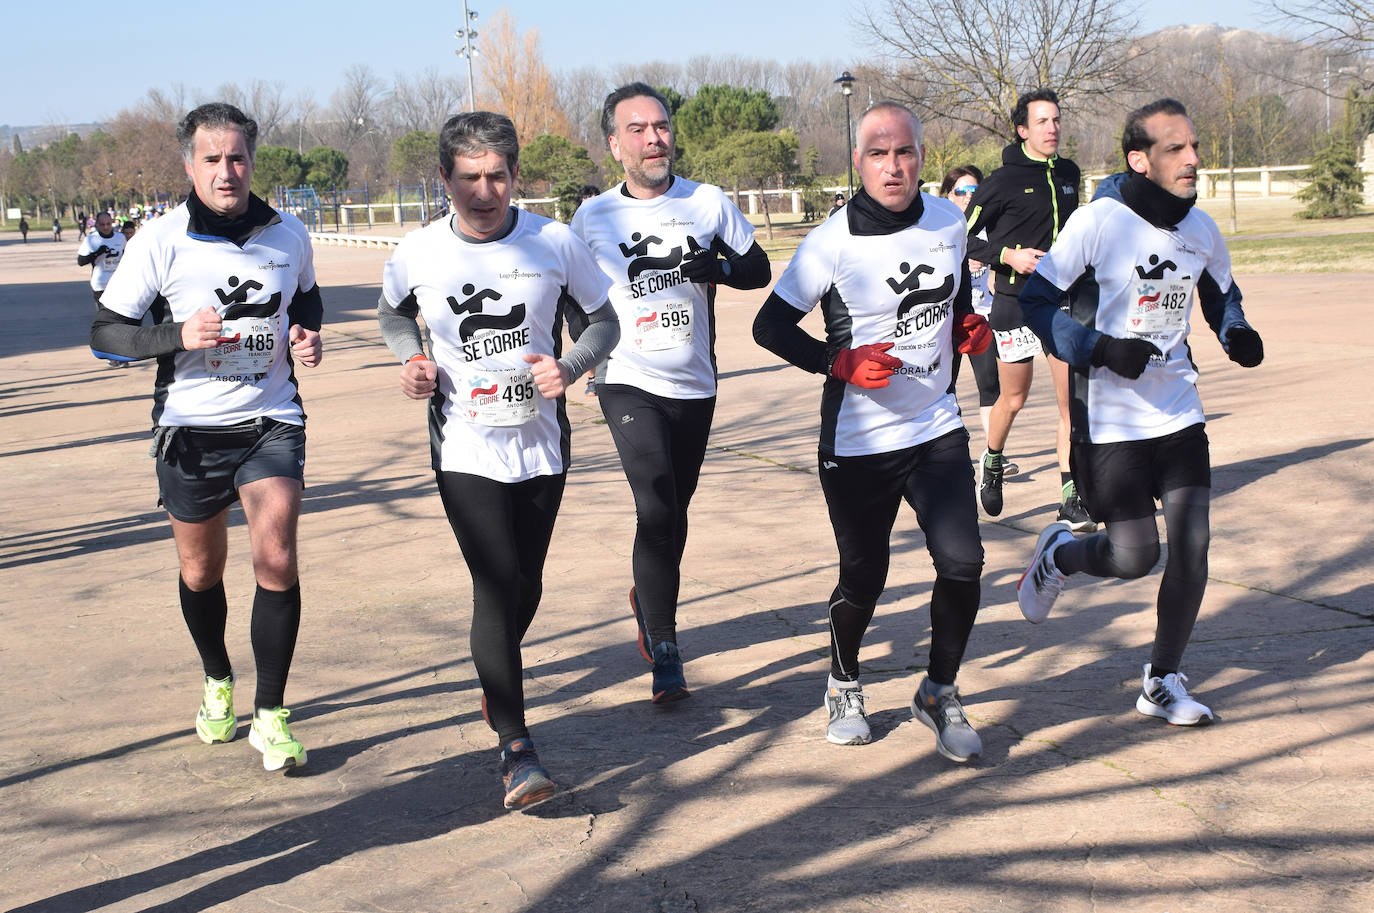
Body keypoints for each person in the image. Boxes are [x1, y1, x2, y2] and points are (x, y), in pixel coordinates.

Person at [377, 111, 617, 809]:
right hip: (463, 441)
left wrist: (570, 366)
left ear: (514, 175)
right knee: (494, 578)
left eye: (497, 176)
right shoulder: (419, 252)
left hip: (540, 439)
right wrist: (413, 359)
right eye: (469, 178)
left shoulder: (554, 241)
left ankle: (496, 672)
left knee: (527, 584)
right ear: (444, 179)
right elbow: (393, 314)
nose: (484, 191)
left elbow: (606, 321)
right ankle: (517, 747)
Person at [753, 102, 992, 763]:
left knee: (963, 562)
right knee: (865, 575)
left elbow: (956, 304)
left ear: (922, 157)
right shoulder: (833, 241)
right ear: (858, 162)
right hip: (859, 438)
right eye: (879, 153)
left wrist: (968, 329)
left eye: (906, 152)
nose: (894, 165)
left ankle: (938, 690)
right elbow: (768, 327)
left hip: (935, 424)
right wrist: (840, 360)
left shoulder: (949, 221)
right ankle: (844, 680)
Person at [89, 102, 324, 772]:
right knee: (201, 570)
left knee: (276, 556)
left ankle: (272, 712)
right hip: (189, 430)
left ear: (253, 160)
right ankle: (218, 676)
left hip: (271, 418)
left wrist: (305, 331)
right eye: (212, 159)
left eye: (238, 157)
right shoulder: (160, 241)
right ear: (190, 164)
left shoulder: (288, 233)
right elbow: (106, 335)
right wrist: (177, 336)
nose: (227, 171)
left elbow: (304, 297)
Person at [1015, 98, 1264, 725]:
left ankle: (1162, 679)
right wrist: (1097, 348)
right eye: (1175, 149)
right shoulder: (1102, 221)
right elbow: (1037, 300)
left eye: (1195, 147)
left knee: (1193, 546)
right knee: (1133, 557)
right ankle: (1061, 556)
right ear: (1139, 159)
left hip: (1178, 409)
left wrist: (1235, 331)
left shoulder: (1201, 228)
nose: (1193, 160)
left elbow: (1219, 293)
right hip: (1111, 419)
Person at [570, 82, 771, 704]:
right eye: (638, 129)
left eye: (661, 126)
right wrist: (581, 360)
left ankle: (648, 598)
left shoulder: (708, 203)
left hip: (695, 383)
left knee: (672, 514)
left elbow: (758, 268)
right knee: (655, 504)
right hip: (626, 378)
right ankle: (665, 645)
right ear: (614, 144)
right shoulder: (594, 216)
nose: (654, 138)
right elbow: (573, 295)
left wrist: (722, 268)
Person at [964, 89, 1090, 530]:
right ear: (1022, 130)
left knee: (1072, 405)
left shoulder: (1070, 173)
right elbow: (965, 237)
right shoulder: (1001, 181)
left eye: (1056, 120)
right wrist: (1009, 257)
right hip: (1015, 304)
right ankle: (992, 459)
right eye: (1042, 122)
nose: (1052, 128)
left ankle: (1072, 495)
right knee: (1013, 399)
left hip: (1060, 303)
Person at [939, 165, 1011, 472]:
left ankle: (995, 454)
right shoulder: (942, 230)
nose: (968, 197)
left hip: (982, 319)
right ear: (948, 195)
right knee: (946, 387)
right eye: (961, 191)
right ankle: (949, 450)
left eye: (974, 191)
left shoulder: (989, 228)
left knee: (990, 385)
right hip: (948, 322)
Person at [77, 211, 130, 366]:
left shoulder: (120, 238)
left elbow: (128, 256)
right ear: (97, 225)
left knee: (122, 319)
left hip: (119, 283)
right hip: (100, 284)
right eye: (102, 224)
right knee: (107, 321)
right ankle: (111, 356)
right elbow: (81, 261)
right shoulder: (92, 239)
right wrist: (96, 253)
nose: (106, 227)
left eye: (108, 224)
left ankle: (122, 354)